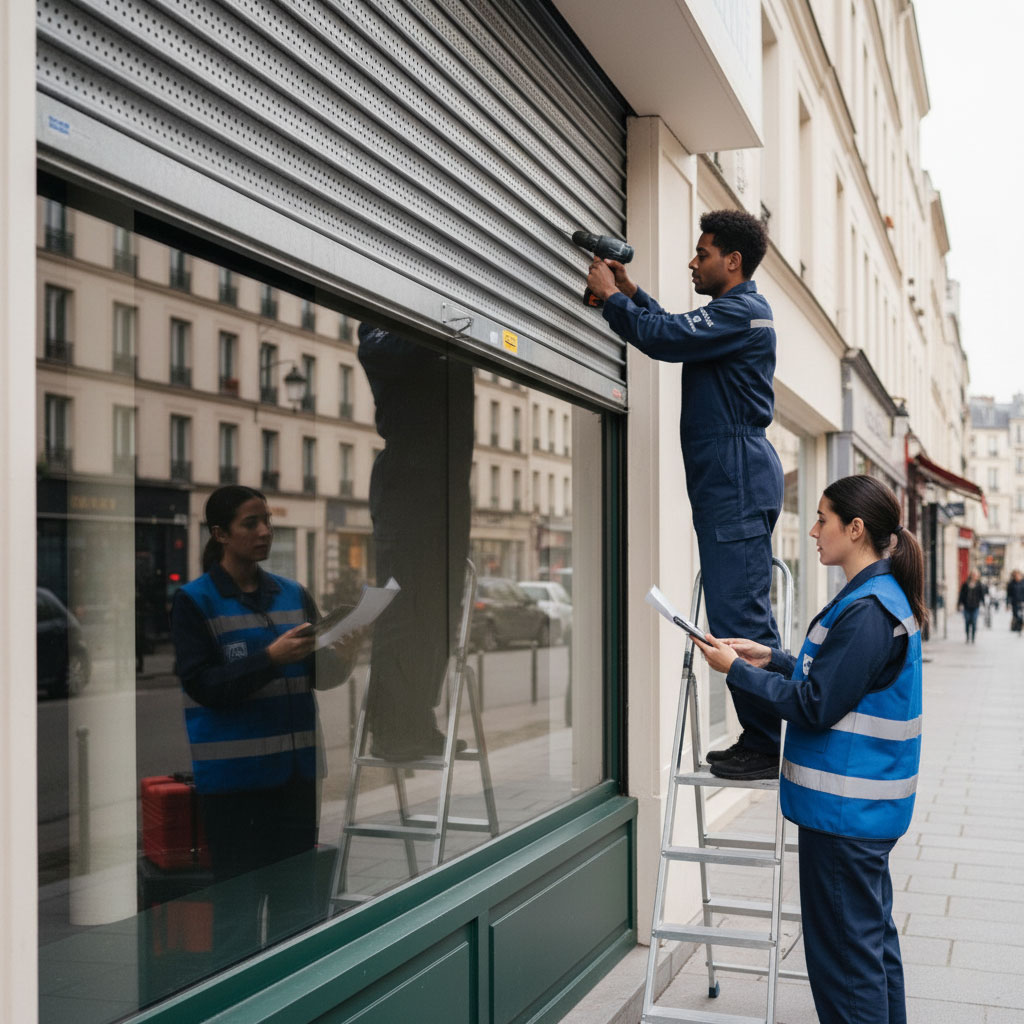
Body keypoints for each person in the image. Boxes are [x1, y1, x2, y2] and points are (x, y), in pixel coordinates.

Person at [693, 474, 925, 1024]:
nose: (815, 531)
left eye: (823, 520)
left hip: (844, 817)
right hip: (859, 814)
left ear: (856, 528)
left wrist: (734, 673)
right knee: (870, 948)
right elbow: (840, 678)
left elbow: (817, 705)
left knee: (845, 964)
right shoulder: (876, 597)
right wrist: (770, 658)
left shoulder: (870, 608)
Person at [586, 208, 784, 779]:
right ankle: (762, 733)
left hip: (736, 477)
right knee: (732, 607)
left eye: (701, 254)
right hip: (731, 476)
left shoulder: (744, 311)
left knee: (740, 614)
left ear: (733, 261)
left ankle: (767, 741)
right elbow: (676, 325)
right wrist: (630, 291)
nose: (692, 262)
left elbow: (667, 337)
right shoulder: (732, 314)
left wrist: (614, 298)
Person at [171, 485, 357, 951]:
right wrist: (269, 658)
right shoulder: (195, 602)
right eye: (250, 523)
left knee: (296, 908)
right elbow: (204, 686)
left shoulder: (293, 594)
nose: (265, 531)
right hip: (235, 787)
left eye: (267, 521)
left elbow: (317, 676)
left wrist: (347, 657)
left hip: (296, 777)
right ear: (220, 534)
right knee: (237, 911)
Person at [357, 324, 474, 760]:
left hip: (446, 483)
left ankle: (418, 719)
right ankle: (391, 728)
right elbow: (393, 350)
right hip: (408, 481)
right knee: (402, 605)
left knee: (441, 607)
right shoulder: (380, 332)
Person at [957, 570, 985, 643]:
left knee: (974, 622)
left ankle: (973, 637)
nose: (975, 577)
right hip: (967, 606)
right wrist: (960, 604)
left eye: (976, 575)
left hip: (975, 606)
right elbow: (961, 595)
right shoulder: (965, 584)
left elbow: (982, 595)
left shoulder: (979, 585)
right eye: (974, 575)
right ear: (971, 575)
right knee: (967, 621)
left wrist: (983, 604)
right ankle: (967, 637)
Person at [1007, 569, 1024, 634]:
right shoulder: (1011, 584)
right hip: (1014, 602)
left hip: (1022, 602)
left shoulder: (1023, 582)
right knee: (1016, 615)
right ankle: (1017, 627)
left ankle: (1019, 627)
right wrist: (1008, 604)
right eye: (1016, 576)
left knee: (1021, 615)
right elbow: (1009, 594)